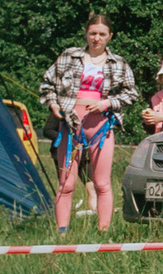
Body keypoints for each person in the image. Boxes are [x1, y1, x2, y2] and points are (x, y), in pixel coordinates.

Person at [39, 13, 138, 232]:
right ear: (86, 33)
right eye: (92, 33)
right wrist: (53, 105)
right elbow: (47, 84)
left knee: (102, 183)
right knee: (67, 184)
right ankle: (62, 232)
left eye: (102, 34)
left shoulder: (119, 63)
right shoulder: (69, 56)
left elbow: (131, 94)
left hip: (101, 128)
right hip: (70, 126)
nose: (96, 38)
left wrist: (107, 104)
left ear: (110, 36)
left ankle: (103, 232)